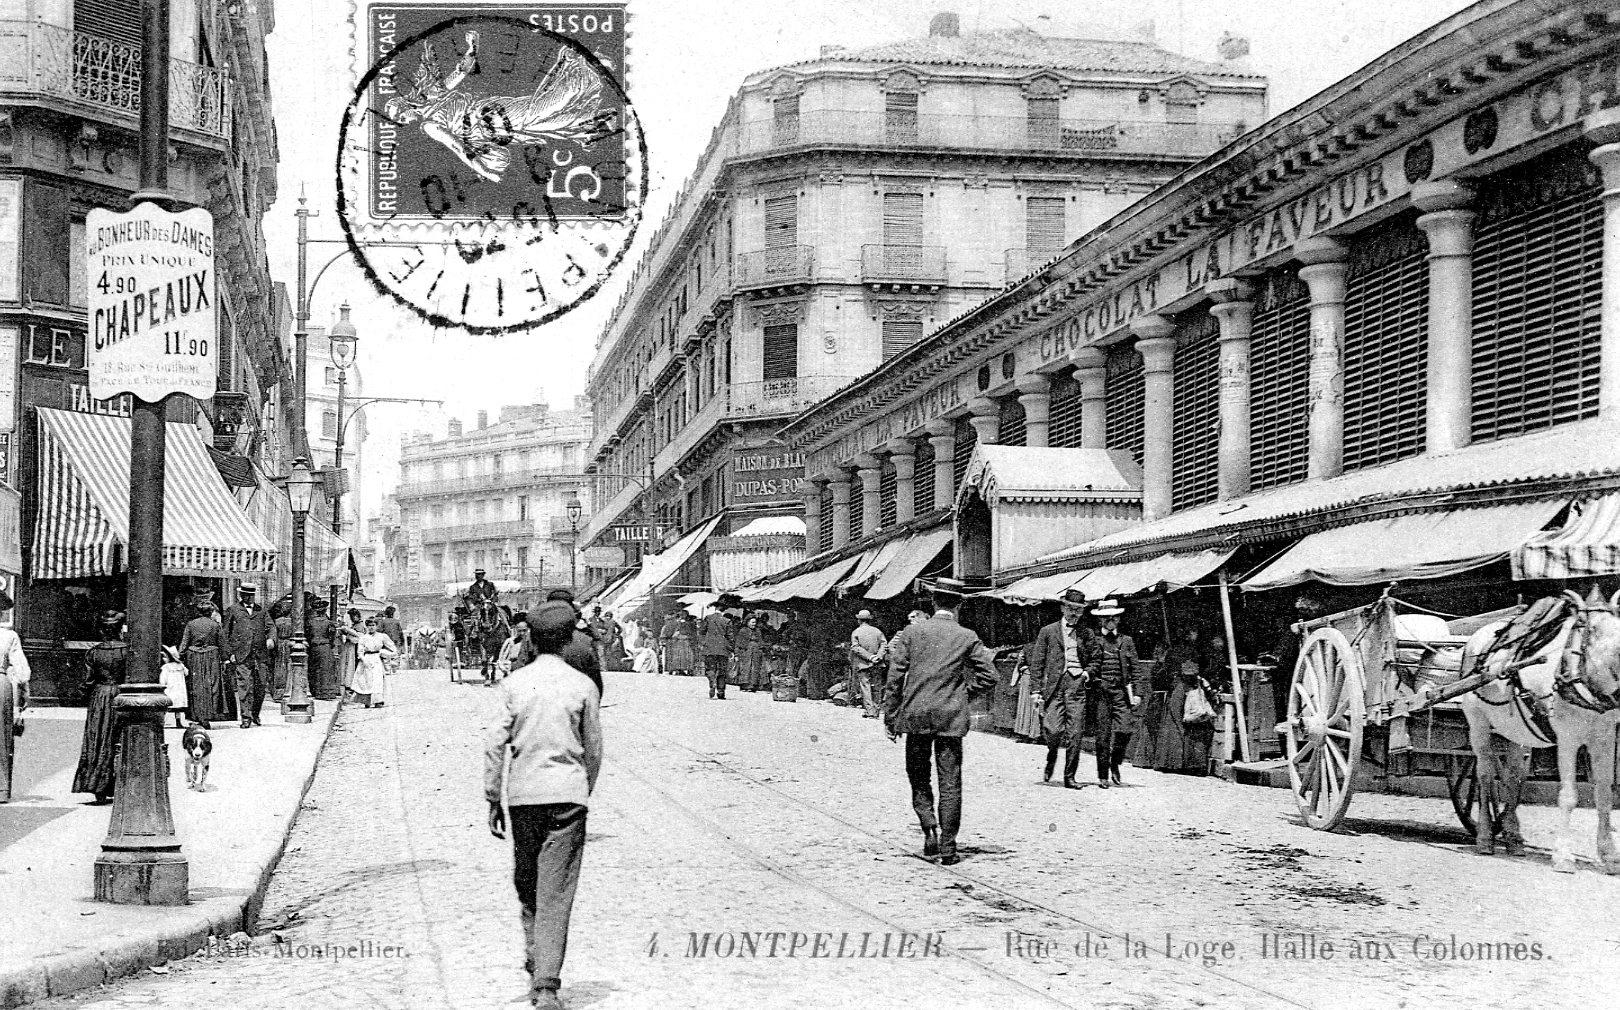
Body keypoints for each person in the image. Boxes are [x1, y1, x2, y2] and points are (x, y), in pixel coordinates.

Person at [484, 601, 604, 1010]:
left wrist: (492, 797)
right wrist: (580, 788)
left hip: (523, 798)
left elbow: (494, 745)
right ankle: (547, 982)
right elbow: (594, 749)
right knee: (557, 889)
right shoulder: (583, 686)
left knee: (528, 880)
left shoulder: (514, 685)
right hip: (568, 796)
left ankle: (539, 962)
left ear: (531, 639)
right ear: (570, 639)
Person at [385, 30, 613, 185]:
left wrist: (472, 48)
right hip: (491, 127)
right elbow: (459, 142)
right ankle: (592, 120)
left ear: (405, 105)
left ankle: (583, 67)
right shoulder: (430, 107)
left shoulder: (430, 116)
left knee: (540, 112)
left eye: (400, 114)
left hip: (489, 118)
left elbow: (456, 145)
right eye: (400, 120)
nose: (403, 120)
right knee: (543, 125)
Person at [883, 579, 998, 865]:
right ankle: (949, 846)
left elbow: (894, 679)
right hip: (950, 717)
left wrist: (890, 715)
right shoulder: (967, 636)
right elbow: (990, 676)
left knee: (918, 775)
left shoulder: (912, 632)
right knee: (950, 781)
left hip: (916, 715)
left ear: (933, 603)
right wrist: (962, 694)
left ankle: (928, 827)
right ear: (958, 605)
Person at [1027, 589, 1091, 788]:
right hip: (1055, 687)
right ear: (1063, 608)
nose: (1074, 614)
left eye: (1078, 611)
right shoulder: (1048, 631)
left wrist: (1087, 672)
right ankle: (1052, 753)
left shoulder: (1086, 633)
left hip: (1077, 686)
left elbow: (1096, 658)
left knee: (1076, 732)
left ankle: (1069, 777)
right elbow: (1037, 663)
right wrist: (1036, 690)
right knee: (1053, 730)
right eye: (1071, 609)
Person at [73, 611, 127, 803]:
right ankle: (120, 783)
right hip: (121, 695)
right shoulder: (127, 651)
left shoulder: (94, 652)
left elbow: (88, 681)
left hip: (100, 696)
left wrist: (85, 694)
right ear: (120, 629)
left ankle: (98, 787)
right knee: (119, 738)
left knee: (98, 739)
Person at [1084, 599, 1140, 788]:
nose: (1110, 619)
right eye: (1106, 617)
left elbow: (1136, 669)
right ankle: (1102, 775)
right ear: (1100, 620)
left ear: (1119, 619)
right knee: (1103, 736)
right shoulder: (1094, 641)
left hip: (1121, 693)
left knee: (1125, 729)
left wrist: (1138, 692)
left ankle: (1115, 763)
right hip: (1100, 693)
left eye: (1114, 616)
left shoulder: (1127, 641)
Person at [223, 584, 272, 728]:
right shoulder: (233, 610)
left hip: (260, 654)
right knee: (244, 686)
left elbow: (271, 627)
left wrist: (271, 639)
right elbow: (225, 633)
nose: (248, 597)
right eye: (245, 595)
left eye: (250, 595)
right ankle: (245, 717)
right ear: (241, 595)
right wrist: (229, 653)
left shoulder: (261, 610)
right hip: (241, 655)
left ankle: (255, 714)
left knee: (261, 685)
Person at [0, 590, 31, 804]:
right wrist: (21, 703)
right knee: (1, 737)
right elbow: (22, 673)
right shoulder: (8, 636)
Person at [180, 595, 229, 727]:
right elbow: (222, 643)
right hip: (211, 657)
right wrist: (225, 658)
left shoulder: (191, 624)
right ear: (210, 612)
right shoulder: (215, 625)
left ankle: (197, 715)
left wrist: (180, 656)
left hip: (194, 657)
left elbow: (184, 644)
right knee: (212, 685)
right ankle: (208, 714)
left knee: (195, 686)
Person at [849, 610, 889, 719]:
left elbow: (855, 648)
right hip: (878, 663)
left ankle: (870, 711)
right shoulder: (877, 631)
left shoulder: (856, 632)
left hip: (863, 663)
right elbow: (884, 645)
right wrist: (878, 656)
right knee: (877, 687)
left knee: (865, 687)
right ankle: (876, 710)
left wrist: (869, 657)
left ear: (859, 620)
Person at [351, 616, 398, 708]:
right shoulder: (363, 638)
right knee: (366, 680)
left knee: (377, 680)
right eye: (369, 625)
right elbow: (360, 652)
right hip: (366, 660)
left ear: (376, 626)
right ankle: (367, 701)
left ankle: (378, 701)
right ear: (367, 627)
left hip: (377, 659)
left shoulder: (382, 636)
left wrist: (384, 653)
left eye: (373, 625)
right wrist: (364, 660)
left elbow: (394, 650)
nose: (371, 627)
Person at [697, 601, 737, 701]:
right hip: (723, 648)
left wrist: (703, 643)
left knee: (710, 668)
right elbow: (730, 637)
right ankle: (721, 691)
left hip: (709, 648)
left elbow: (701, 631)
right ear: (724, 610)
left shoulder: (708, 618)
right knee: (722, 670)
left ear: (715, 609)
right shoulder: (727, 621)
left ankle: (712, 682)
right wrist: (732, 649)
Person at [307, 599, 340, 700]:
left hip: (313, 647)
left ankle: (316, 692)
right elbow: (332, 637)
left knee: (314, 670)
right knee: (326, 670)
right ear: (324, 611)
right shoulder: (329, 623)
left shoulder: (310, 622)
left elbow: (308, 635)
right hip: (325, 647)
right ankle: (326, 693)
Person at [159, 645, 190, 729]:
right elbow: (187, 673)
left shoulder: (166, 667)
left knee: (166, 706)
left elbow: (163, 679)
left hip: (170, 689)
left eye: (165, 657)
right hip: (179, 690)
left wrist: (162, 685)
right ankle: (178, 722)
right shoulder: (181, 666)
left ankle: (162, 722)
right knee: (178, 708)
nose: (163, 659)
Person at [734, 615, 766, 691]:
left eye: (755, 622)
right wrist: (736, 654)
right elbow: (738, 643)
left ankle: (753, 685)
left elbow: (761, 641)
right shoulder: (743, 630)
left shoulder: (757, 631)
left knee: (755, 668)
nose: (754, 624)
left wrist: (761, 649)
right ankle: (744, 685)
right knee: (745, 668)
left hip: (756, 651)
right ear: (747, 622)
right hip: (746, 652)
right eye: (752, 622)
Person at [661, 611, 696, 677]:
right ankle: (681, 670)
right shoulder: (686, 624)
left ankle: (674, 669)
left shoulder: (670, 624)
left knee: (676, 656)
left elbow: (666, 634)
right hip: (681, 641)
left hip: (673, 642)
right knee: (682, 656)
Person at [377, 606, 406, 675]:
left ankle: (387, 669)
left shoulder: (383, 622)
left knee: (385, 656)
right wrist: (402, 643)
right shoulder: (396, 622)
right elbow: (400, 633)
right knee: (395, 655)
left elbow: (379, 631)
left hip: (386, 642)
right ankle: (394, 669)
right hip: (395, 641)